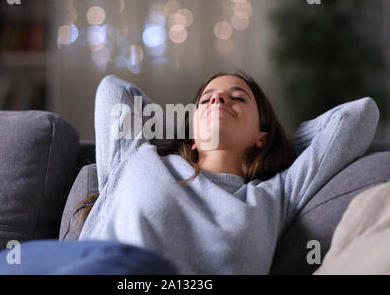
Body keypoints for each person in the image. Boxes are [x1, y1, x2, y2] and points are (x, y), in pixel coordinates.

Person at [77, 70, 379, 274]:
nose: (218, 100)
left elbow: (358, 116)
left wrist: (283, 144)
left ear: (261, 133)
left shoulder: (275, 194)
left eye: (237, 97)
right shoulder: (138, 155)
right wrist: (182, 136)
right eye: (206, 99)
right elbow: (114, 90)